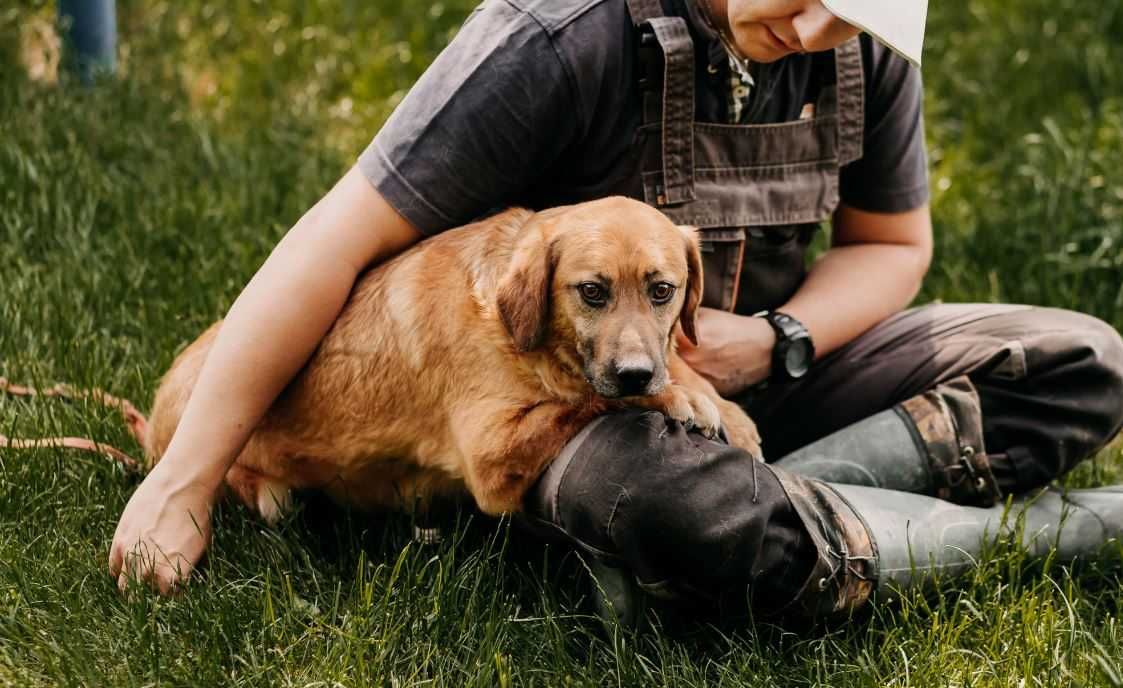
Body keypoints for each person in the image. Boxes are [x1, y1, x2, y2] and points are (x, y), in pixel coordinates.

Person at [110, 0, 1123, 621]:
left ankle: (764, 515)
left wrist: (776, 342)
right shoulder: (557, 35)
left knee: (1084, 360)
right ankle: (1055, 534)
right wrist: (185, 478)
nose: (815, 30)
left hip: (757, 378)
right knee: (670, 498)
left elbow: (894, 247)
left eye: (849, 8)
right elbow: (331, 241)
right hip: (569, 424)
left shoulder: (867, 47)